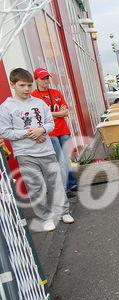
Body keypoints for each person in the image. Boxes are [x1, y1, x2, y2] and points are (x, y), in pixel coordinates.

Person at [0, 68, 74, 232]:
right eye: (22, 85)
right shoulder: (6, 107)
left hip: (46, 151)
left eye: (28, 85)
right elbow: (5, 131)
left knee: (56, 183)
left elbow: (50, 123)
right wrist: (28, 133)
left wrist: (42, 130)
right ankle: (45, 216)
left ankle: (63, 212)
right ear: (12, 85)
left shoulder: (39, 103)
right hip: (25, 154)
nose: (26, 89)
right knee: (35, 187)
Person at [31, 67, 77, 193]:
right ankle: (66, 188)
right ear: (36, 79)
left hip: (63, 130)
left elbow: (66, 112)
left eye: (47, 78)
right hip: (50, 132)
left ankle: (72, 183)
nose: (46, 81)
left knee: (67, 158)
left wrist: (50, 113)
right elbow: (39, 116)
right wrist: (58, 113)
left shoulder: (56, 93)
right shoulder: (34, 96)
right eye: (43, 78)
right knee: (60, 159)